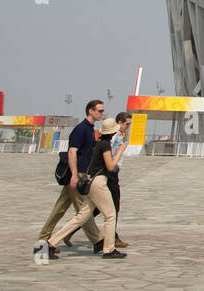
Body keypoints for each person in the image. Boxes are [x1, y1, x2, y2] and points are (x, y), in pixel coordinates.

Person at [43, 117, 126, 260]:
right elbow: (110, 166)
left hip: (91, 182)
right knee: (110, 214)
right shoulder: (105, 145)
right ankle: (109, 249)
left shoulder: (99, 143)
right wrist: (119, 152)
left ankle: (50, 243)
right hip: (99, 184)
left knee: (81, 217)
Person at [35, 100, 104, 251]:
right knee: (84, 210)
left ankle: (42, 240)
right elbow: (72, 151)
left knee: (59, 209)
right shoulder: (81, 129)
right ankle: (98, 241)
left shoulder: (90, 129)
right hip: (77, 174)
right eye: (99, 111)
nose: (102, 113)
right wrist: (74, 175)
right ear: (90, 111)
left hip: (81, 173)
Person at [107, 111, 132, 248]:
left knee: (98, 208)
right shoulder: (115, 136)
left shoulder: (120, 135)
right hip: (111, 173)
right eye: (127, 124)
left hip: (113, 172)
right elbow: (113, 153)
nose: (128, 127)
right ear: (119, 123)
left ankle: (73, 229)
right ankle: (113, 238)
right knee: (114, 206)